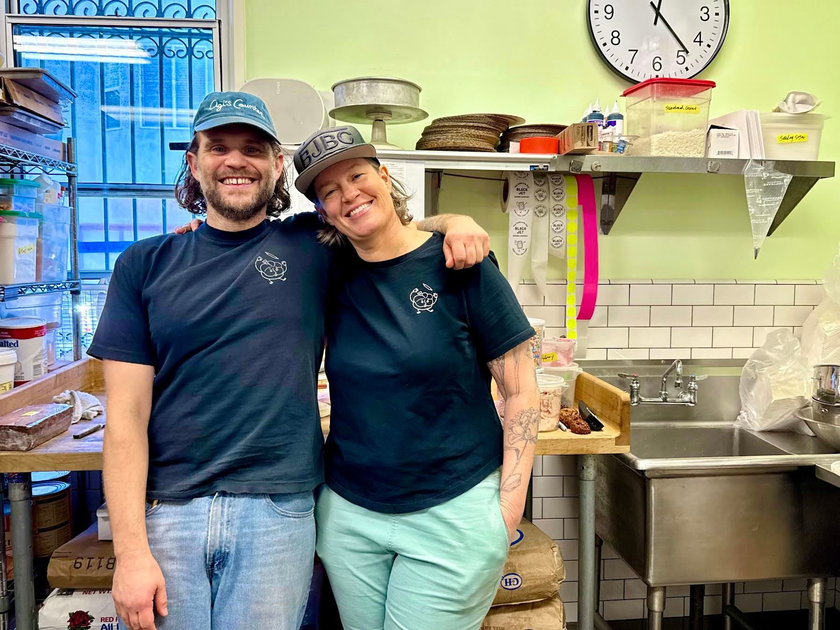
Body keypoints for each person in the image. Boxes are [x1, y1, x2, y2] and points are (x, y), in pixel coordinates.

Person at [88, 92, 490, 630]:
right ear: (194, 161)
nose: (236, 161)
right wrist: (131, 552)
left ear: (277, 164)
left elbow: (389, 229)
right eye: (218, 147)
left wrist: (455, 221)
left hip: (278, 510)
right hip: (170, 511)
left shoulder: (314, 244)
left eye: (253, 148)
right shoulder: (144, 263)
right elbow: (126, 419)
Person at [292, 126, 541, 630]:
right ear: (323, 211)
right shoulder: (330, 268)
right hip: (349, 515)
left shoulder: (461, 263)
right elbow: (244, 238)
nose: (349, 196)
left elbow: (522, 390)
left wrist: (505, 513)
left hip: (451, 511)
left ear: (385, 176)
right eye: (330, 191)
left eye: (358, 176)